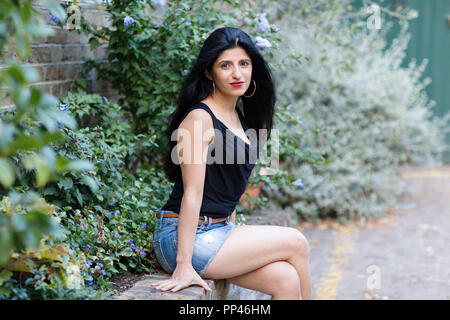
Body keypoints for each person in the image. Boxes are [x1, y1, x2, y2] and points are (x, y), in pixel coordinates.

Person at [151, 27, 311, 300]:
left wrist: (232, 230)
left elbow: (227, 189)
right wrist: (183, 265)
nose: (237, 74)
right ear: (209, 72)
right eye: (225, 65)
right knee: (296, 242)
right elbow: (193, 193)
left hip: (218, 230)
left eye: (244, 64)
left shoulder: (240, 118)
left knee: (286, 280)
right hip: (183, 236)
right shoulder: (200, 119)